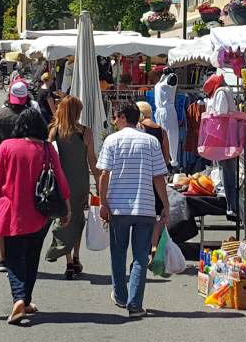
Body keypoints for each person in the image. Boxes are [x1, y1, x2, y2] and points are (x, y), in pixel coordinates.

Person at [0, 108, 72, 324]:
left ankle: (18, 299)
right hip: (40, 212)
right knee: (32, 256)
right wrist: (67, 207)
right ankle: (26, 300)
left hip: (12, 211)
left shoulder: (7, 147)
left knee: (14, 258)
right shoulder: (46, 148)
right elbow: (60, 178)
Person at [97, 101, 170, 316]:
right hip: (145, 207)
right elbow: (159, 177)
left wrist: (103, 203)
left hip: (118, 208)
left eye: (115, 117)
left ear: (121, 117)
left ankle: (120, 295)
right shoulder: (150, 142)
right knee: (140, 256)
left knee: (118, 254)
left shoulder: (111, 140)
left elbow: (104, 175)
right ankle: (135, 304)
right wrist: (165, 205)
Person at [44, 97, 96, 279]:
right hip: (81, 181)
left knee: (64, 217)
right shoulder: (85, 132)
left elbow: (47, 157)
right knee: (78, 219)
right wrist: (99, 184)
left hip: (61, 182)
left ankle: (67, 260)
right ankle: (76, 256)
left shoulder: (55, 131)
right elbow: (92, 161)